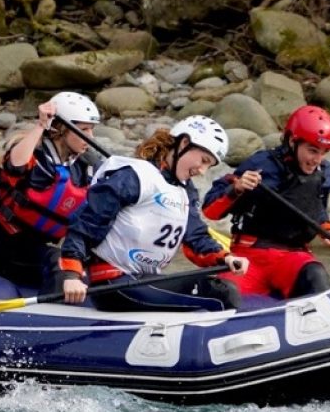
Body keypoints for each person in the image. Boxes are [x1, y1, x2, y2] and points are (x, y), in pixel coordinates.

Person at [55, 116, 247, 312]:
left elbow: (195, 236)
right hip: (114, 283)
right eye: (203, 160)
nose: (202, 170)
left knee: (222, 285)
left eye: (209, 166)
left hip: (143, 279)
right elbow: (87, 224)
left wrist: (226, 258)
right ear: (184, 143)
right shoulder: (134, 176)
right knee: (223, 293)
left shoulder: (184, 190)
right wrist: (71, 275)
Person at [0, 91, 100, 291]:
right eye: (84, 130)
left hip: (32, 245)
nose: (90, 137)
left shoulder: (86, 168)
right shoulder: (34, 153)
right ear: (61, 129)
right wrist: (41, 125)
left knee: (58, 264)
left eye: (92, 130)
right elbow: (16, 166)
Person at [202, 104, 330, 299]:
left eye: (323, 152)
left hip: (293, 258)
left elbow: (315, 208)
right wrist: (237, 188)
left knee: (315, 275)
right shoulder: (261, 165)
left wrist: (328, 229)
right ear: (293, 142)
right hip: (250, 257)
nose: (317, 160)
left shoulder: (324, 174)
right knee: (224, 293)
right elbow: (210, 211)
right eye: (312, 150)